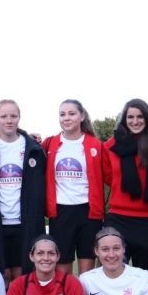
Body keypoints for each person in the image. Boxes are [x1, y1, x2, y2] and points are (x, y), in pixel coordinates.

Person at [0, 100, 47, 295]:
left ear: (19, 118)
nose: (9, 120)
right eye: (3, 116)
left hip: (26, 224)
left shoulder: (34, 148)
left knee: (22, 277)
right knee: (0, 276)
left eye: (13, 116)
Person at [102, 99, 148, 272]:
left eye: (140, 116)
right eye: (130, 117)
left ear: (147, 118)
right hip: (118, 219)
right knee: (114, 275)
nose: (135, 121)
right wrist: (128, 185)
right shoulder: (110, 146)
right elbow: (109, 176)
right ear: (124, 119)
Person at [41, 99, 105, 276]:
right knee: (62, 269)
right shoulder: (49, 143)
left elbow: (110, 176)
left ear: (82, 116)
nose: (66, 118)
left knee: (86, 270)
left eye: (71, 114)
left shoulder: (95, 145)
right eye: (62, 114)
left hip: (89, 212)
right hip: (60, 212)